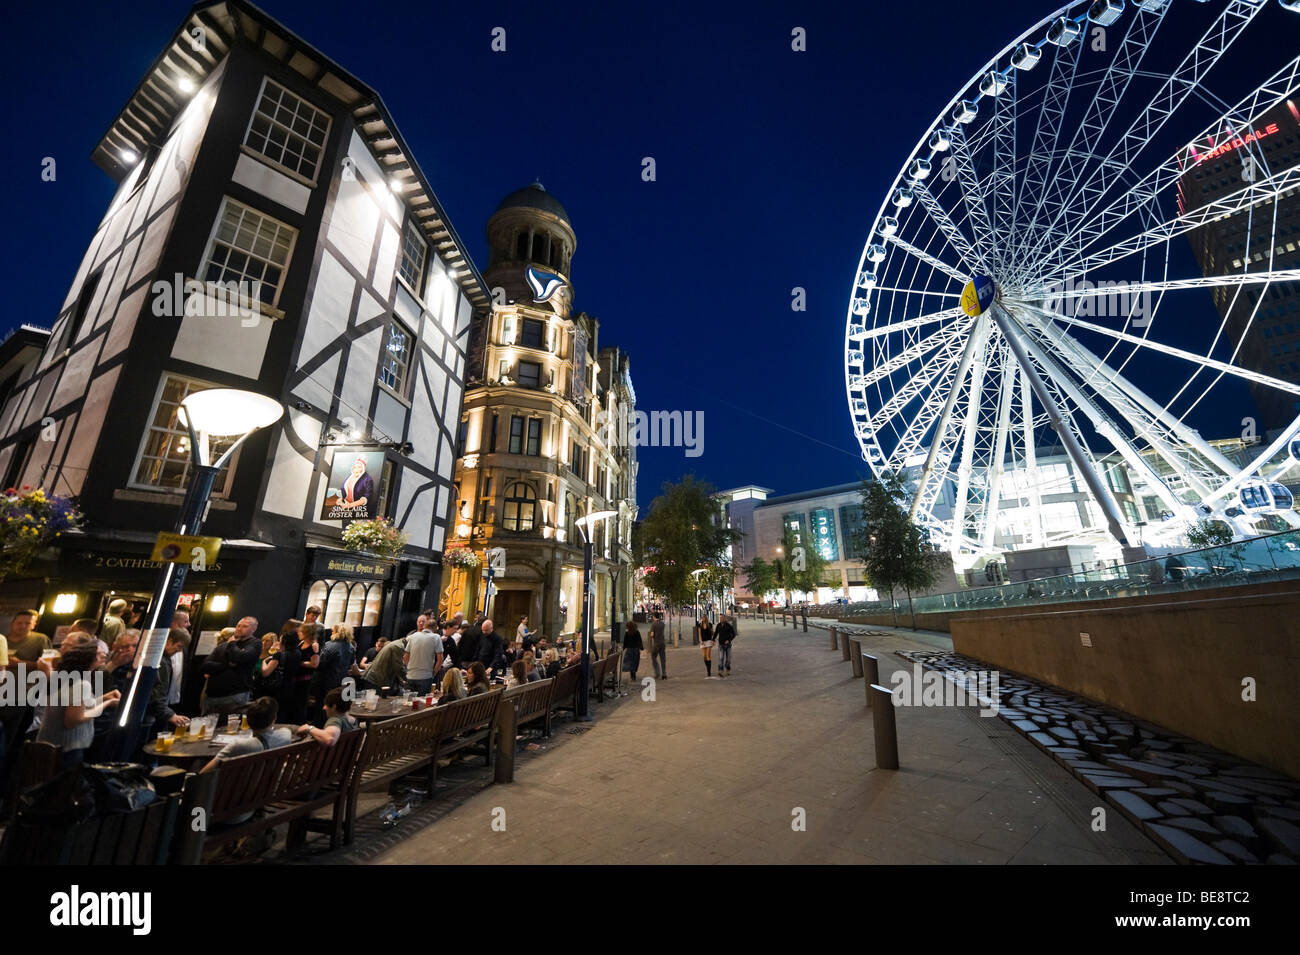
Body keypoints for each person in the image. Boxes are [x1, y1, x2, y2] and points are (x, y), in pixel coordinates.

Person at [36, 642, 121, 769]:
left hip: (49, 746)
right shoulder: (81, 684)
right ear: (86, 659)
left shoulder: (64, 679)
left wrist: (104, 698)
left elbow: (76, 706)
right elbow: (74, 720)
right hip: (67, 749)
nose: (104, 655)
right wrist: (108, 704)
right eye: (98, 654)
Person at [199, 616, 260, 715]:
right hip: (212, 696)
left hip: (235, 696)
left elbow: (238, 657)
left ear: (254, 629)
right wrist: (226, 665)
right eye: (238, 625)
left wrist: (232, 644)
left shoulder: (255, 643)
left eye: (245, 626)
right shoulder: (223, 645)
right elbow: (204, 666)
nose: (240, 628)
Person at [309, 623, 356, 725]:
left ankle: (319, 729)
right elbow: (351, 663)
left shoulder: (329, 645)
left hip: (324, 682)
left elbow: (320, 664)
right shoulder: (351, 647)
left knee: (321, 708)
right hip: (340, 682)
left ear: (336, 632)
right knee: (335, 708)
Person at [149, 628, 192, 738]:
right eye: (178, 646)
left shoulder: (164, 659)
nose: (179, 651)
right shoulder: (161, 661)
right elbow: (157, 693)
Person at [402, 615, 442, 694]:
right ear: (435, 628)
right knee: (421, 702)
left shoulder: (413, 636)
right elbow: (440, 659)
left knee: (407, 702)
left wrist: (409, 669)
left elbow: (405, 657)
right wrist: (433, 673)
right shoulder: (436, 637)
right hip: (426, 676)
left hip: (410, 676)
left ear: (424, 626)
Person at [649, 611, 668, 680]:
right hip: (662, 642)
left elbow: (652, 634)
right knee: (663, 658)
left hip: (656, 643)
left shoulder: (653, 624)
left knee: (653, 656)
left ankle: (657, 672)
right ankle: (664, 674)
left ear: (654, 617)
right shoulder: (662, 624)